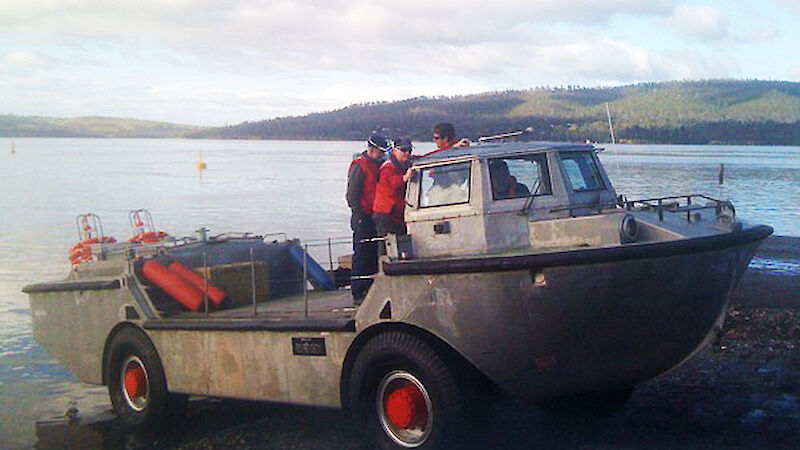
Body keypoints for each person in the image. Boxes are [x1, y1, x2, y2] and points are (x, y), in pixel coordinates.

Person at [346, 134, 389, 303]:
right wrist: (359, 215)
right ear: (372, 149)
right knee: (361, 253)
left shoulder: (378, 164)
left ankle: (370, 288)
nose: (382, 155)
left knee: (372, 253)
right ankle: (357, 291)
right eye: (380, 151)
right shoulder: (360, 166)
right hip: (362, 217)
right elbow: (351, 194)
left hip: (374, 215)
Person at [373, 138, 415, 237]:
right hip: (385, 214)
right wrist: (405, 178)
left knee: (400, 241)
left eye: (409, 150)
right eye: (403, 150)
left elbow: (422, 158)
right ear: (394, 151)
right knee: (387, 244)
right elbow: (392, 185)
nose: (407, 153)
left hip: (398, 213)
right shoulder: (387, 167)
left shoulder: (406, 164)